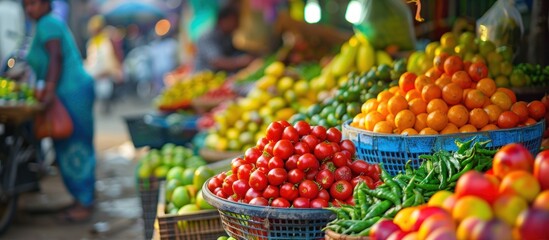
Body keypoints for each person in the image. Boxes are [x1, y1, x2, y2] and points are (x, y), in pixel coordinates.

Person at [23, 0, 96, 222]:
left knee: (74, 146)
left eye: (34, 3)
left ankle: (84, 203)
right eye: (26, 5)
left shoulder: (47, 23)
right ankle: (82, 198)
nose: (29, 9)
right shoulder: (47, 24)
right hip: (72, 91)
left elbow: (56, 57)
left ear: (46, 4)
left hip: (71, 92)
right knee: (73, 146)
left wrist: (49, 90)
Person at [193, 5, 254, 73]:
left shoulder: (226, 35)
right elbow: (217, 61)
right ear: (224, 20)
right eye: (235, 20)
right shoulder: (207, 37)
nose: (237, 24)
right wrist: (240, 62)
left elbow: (234, 52)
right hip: (206, 77)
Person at [84, 15, 124, 114]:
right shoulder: (92, 42)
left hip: (108, 70)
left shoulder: (108, 40)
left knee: (106, 90)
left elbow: (113, 55)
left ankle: (108, 105)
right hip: (96, 72)